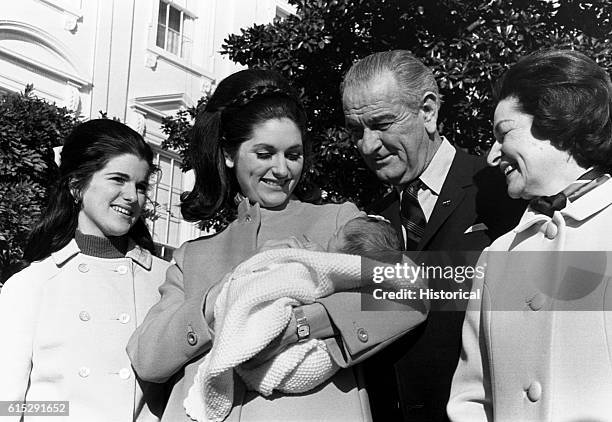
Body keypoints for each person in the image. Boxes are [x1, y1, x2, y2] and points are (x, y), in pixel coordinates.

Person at [128, 69, 427, 421]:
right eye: (265, 153)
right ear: (229, 153)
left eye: (293, 154)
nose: (282, 169)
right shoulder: (193, 256)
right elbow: (147, 359)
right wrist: (216, 300)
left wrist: (302, 323)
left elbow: (412, 293)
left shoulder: (339, 221)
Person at [341, 50, 525, 421]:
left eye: (381, 123)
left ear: (428, 111)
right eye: (356, 131)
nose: (367, 145)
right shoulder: (374, 219)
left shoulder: (501, 192)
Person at [448, 49, 612, 421]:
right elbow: (471, 399)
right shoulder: (497, 257)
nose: (492, 155)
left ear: (558, 117)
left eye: (503, 133)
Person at [0, 119, 169, 421]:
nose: (132, 196)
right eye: (118, 179)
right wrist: (65, 414)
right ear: (77, 185)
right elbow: (6, 404)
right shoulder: (31, 284)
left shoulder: (166, 280)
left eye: (141, 185)